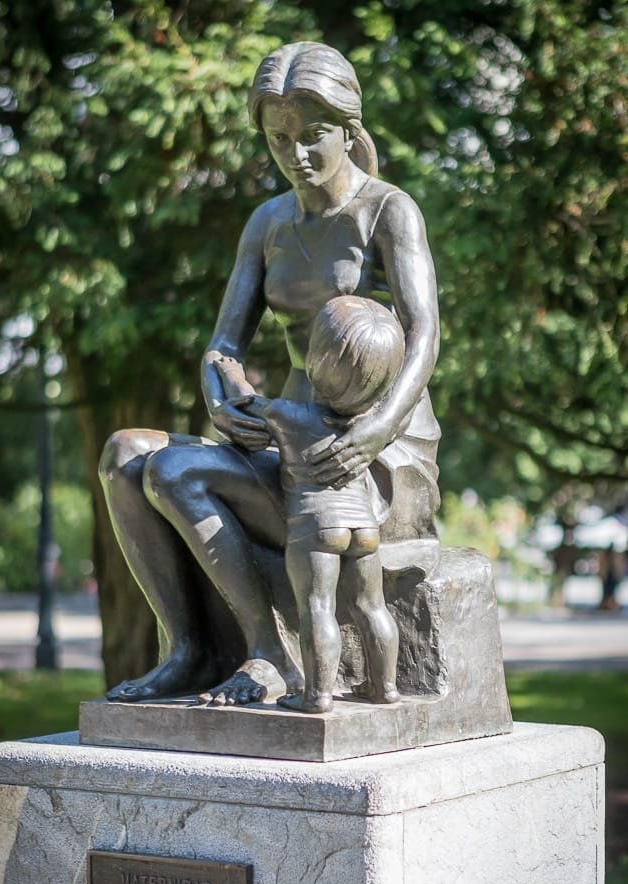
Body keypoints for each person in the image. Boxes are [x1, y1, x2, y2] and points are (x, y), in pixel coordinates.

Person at [100, 41, 441, 706]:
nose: (297, 156)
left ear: (349, 130)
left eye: (313, 137)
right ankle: (192, 650)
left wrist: (372, 430)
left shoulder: (387, 211)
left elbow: (424, 332)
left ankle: (269, 656)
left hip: (376, 453)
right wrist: (220, 388)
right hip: (291, 435)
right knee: (124, 455)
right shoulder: (267, 222)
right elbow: (225, 340)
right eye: (278, 139)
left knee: (173, 470)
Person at [213, 295, 403, 713]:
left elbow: (246, 399)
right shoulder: (369, 426)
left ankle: (317, 696)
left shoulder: (288, 414)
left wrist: (230, 372)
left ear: (315, 361)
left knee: (319, 607)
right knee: (372, 606)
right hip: (365, 528)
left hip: (317, 528)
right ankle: (385, 688)